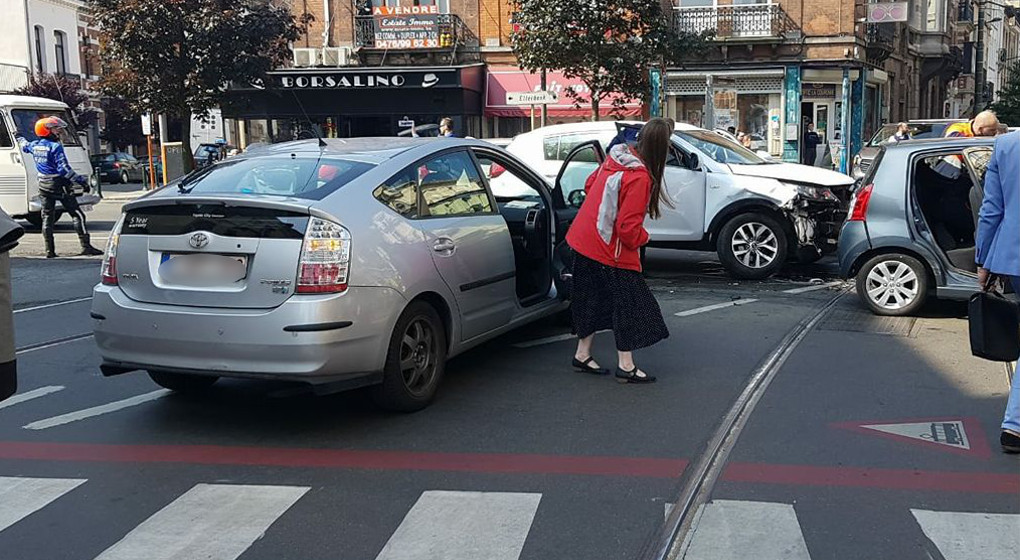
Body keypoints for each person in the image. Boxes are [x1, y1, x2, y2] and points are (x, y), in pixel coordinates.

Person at [565, 117, 673, 384]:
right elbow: (627, 229)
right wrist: (644, 237)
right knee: (630, 305)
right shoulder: (639, 177)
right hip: (608, 250)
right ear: (661, 148)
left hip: (582, 239)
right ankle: (626, 365)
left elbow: (590, 185)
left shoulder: (616, 160)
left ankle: (582, 354)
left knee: (590, 298)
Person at [974, 129, 1020, 454]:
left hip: (1014, 257)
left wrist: (983, 259)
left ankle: (1015, 425)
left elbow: (991, 209)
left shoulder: (1006, 146)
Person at [17, 117, 102, 258]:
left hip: (43, 185)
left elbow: (24, 145)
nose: (59, 131)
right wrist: (81, 181)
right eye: (56, 129)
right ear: (47, 130)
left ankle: (49, 251)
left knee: (47, 217)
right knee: (77, 214)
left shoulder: (35, 145)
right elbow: (64, 170)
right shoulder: (55, 147)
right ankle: (86, 247)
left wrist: (19, 136)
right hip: (59, 185)